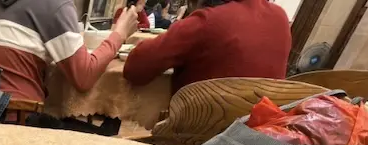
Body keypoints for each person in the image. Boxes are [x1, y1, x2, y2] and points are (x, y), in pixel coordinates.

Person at [0, 0, 140, 102]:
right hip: (19, 116)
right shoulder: (56, 4)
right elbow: (84, 77)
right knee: (105, 133)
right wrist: (120, 34)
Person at [122, 0, 291, 93]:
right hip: (266, 139)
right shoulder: (280, 17)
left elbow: (135, 70)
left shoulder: (205, 22)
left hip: (200, 142)